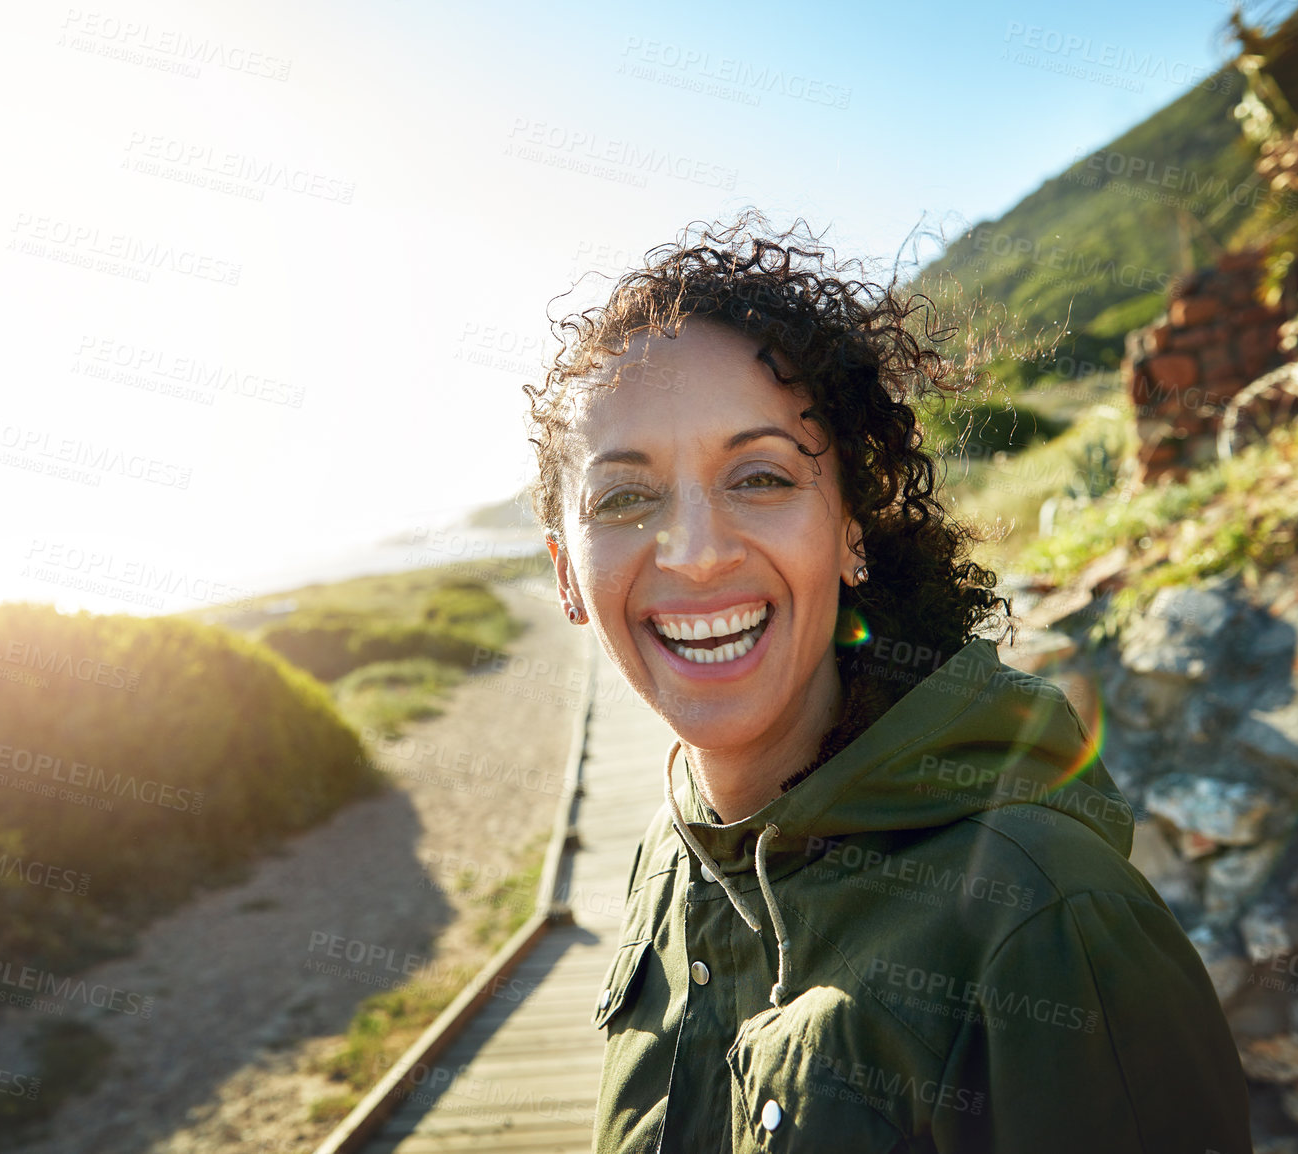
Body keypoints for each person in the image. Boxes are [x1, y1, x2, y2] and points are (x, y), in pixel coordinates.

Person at [523, 214, 1252, 1152]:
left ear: (850, 532)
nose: (697, 554)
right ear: (565, 574)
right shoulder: (670, 859)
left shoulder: (1045, 919)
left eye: (760, 477)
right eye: (625, 496)